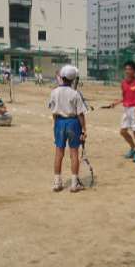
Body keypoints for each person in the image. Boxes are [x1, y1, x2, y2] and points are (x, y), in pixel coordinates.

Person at [48, 64, 87, 193]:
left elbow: (53, 111)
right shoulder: (75, 94)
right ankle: (74, 184)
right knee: (74, 153)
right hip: (73, 123)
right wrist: (84, 129)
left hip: (59, 122)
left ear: (62, 77)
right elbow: (80, 114)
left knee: (59, 153)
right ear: (73, 79)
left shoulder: (54, 92)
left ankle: (57, 182)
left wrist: (55, 125)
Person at [111, 60, 135, 163]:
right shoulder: (123, 83)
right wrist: (116, 103)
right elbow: (124, 97)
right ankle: (133, 148)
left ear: (134, 71)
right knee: (123, 131)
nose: (127, 71)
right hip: (126, 109)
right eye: (126, 69)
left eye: (130, 69)